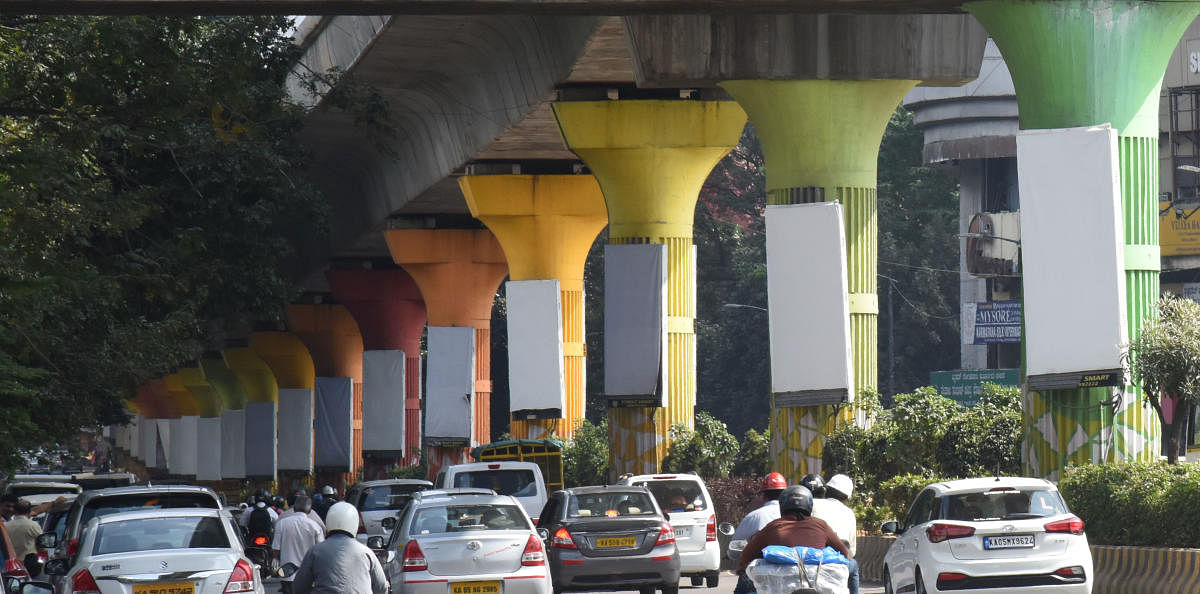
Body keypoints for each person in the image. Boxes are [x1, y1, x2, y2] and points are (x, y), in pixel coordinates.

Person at [737, 485, 850, 575]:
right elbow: (845, 553)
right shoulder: (821, 525)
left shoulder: (773, 526)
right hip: (817, 583)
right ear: (809, 505)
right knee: (852, 564)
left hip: (778, 585)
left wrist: (743, 569)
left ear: (783, 505)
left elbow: (746, 556)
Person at [292, 502, 388, 594]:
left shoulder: (315, 551)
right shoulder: (366, 552)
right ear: (355, 524)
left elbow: (299, 587)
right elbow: (381, 587)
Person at [812, 474, 859, 594]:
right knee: (854, 566)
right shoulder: (849, 513)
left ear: (826, 490)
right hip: (838, 562)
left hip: (811, 560)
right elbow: (851, 552)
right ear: (847, 498)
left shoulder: (813, 504)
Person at [273, 496, 325, 594]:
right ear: (309, 511)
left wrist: (275, 565)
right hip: (309, 574)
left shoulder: (282, 524)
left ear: (294, 508)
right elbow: (321, 552)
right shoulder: (315, 526)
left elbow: (276, 550)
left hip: (287, 574)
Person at [732, 472, 787, 541]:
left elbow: (735, 544)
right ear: (785, 494)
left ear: (763, 495)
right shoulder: (795, 517)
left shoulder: (753, 517)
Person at [6, 499, 42, 575]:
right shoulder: (33, 525)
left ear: (14, 511)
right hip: (29, 564)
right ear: (29, 512)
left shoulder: (5, 526)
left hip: (9, 564)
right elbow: (42, 542)